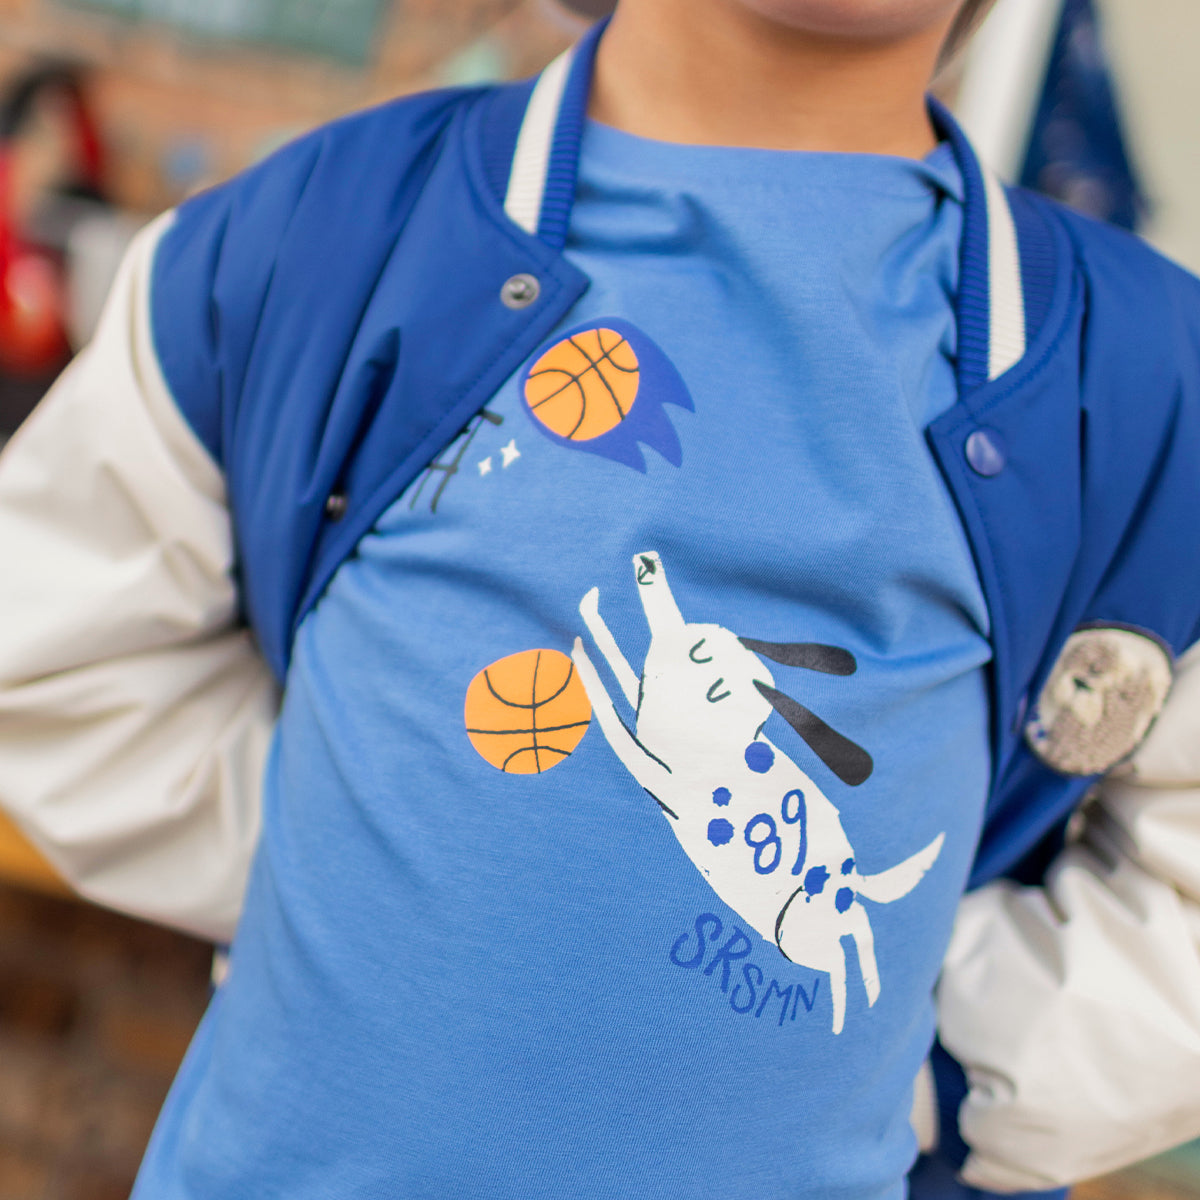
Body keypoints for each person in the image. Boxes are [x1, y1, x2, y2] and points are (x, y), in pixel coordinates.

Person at [0, 1, 1198, 1196]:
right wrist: (355, 861)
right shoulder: (321, 232)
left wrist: (937, 1053)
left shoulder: (1146, 382)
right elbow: (51, 647)